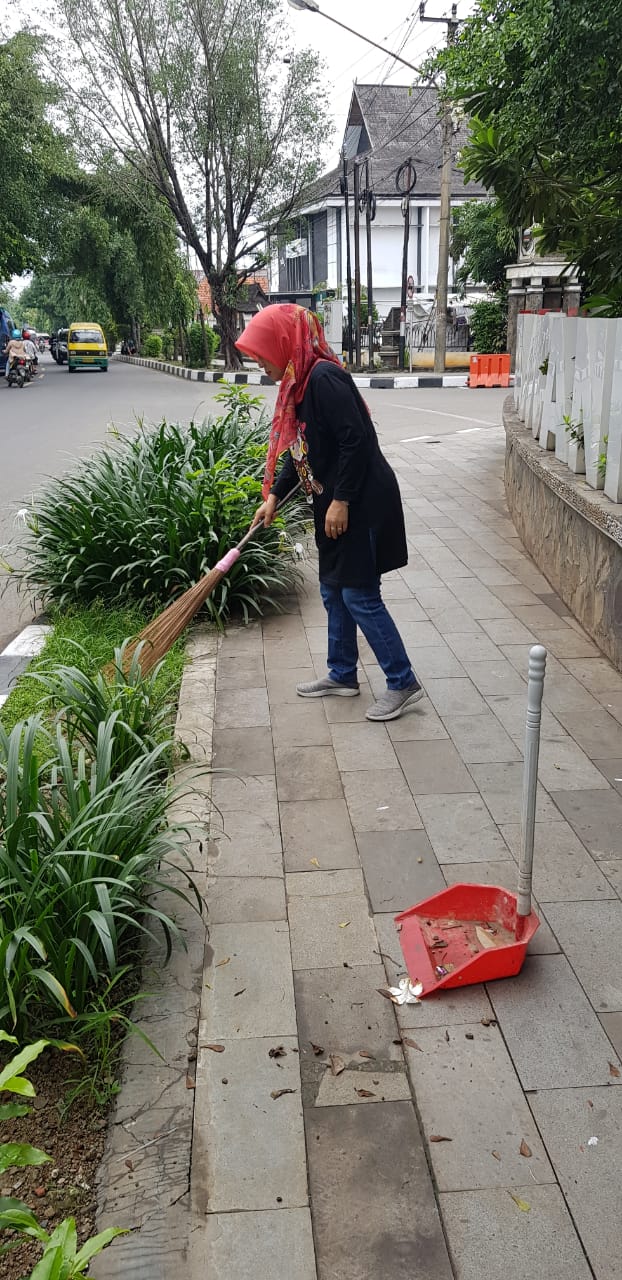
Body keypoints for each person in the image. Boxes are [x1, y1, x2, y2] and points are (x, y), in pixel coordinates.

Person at [235, 303, 423, 722]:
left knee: (358, 593)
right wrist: (274, 496)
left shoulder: (323, 379)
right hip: (333, 503)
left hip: (361, 503)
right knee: (333, 590)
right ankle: (342, 674)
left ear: (282, 343)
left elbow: (358, 441)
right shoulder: (297, 384)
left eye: (260, 352)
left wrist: (341, 501)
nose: (258, 362)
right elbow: (300, 450)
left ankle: (402, 680)